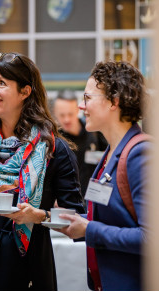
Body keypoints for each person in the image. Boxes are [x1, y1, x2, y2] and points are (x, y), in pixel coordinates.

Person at [0, 52, 85, 290]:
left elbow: (78, 220)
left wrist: (40, 216)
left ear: (25, 92)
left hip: (28, 267)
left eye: (2, 83)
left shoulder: (54, 150)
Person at [57, 61, 151, 290]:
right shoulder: (110, 154)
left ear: (113, 102)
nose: (81, 106)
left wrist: (89, 230)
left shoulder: (141, 154)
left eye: (87, 98)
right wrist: (41, 217)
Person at [53, 91, 107, 197]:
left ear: (78, 110)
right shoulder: (54, 139)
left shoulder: (94, 131)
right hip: (67, 201)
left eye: (70, 114)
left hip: (94, 197)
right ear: (55, 112)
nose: (66, 119)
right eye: (62, 115)